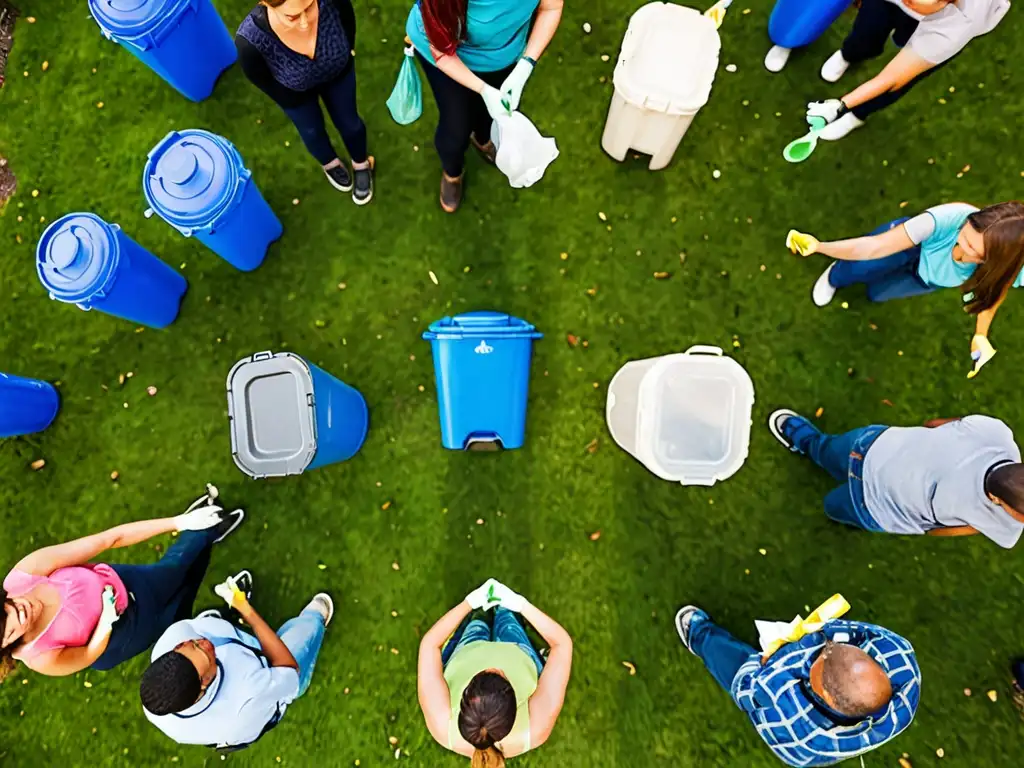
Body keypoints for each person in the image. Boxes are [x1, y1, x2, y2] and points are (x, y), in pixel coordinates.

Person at [0, 485, 243, 682]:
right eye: (11, 630)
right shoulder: (42, 658)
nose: (21, 613)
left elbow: (108, 539)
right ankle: (203, 541)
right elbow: (87, 655)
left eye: (8, 608)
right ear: (6, 647)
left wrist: (178, 522)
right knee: (171, 622)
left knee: (177, 571)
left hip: (126, 581)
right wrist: (106, 623)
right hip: (124, 634)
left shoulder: (25, 575)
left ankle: (203, 531)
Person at [675, 604, 921, 766]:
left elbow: (746, 690)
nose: (817, 651)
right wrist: (826, 632)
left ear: (827, 695)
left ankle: (699, 634)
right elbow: (855, 632)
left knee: (734, 665)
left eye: (818, 663)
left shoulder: (782, 704)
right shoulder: (898, 660)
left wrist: (760, 662)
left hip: (788, 732)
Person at [788, 201, 1024, 366]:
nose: (963, 246)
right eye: (965, 235)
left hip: (926, 279)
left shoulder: (1008, 267)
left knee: (878, 293)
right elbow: (874, 247)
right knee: (861, 266)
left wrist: (980, 335)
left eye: (974, 250)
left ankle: (858, 281)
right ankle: (836, 274)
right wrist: (820, 247)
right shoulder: (950, 217)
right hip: (911, 247)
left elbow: (995, 288)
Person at [768, 409, 1024, 548]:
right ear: (998, 501)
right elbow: (942, 532)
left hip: (874, 446)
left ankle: (807, 442)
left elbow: (934, 423)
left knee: (827, 451)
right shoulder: (1007, 529)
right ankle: (833, 506)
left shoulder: (996, 432)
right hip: (873, 507)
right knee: (833, 506)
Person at [140, 570, 333, 751]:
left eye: (193, 644)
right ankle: (313, 618)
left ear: (177, 648)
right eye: (205, 654)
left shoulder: (173, 641)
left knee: (210, 625)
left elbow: (196, 636)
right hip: (271, 679)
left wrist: (212, 629)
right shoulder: (248, 697)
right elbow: (289, 669)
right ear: (205, 682)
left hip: (239, 655)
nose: (206, 644)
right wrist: (247, 611)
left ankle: (221, 618)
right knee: (300, 647)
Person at [405, 0, 565, 212]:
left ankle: (482, 138)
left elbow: (551, 8)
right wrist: (483, 89)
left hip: (504, 55)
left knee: (490, 115)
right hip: (447, 53)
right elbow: (440, 50)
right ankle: (452, 172)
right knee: (456, 127)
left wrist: (526, 64)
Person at [418, 579, 572, 766]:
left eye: (483, 674)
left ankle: (481, 613)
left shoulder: (443, 722)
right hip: (517, 650)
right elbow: (562, 645)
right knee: (509, 619)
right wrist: (518, 603)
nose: (495, 667)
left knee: (476, 622)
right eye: (503, 678)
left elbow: (429, 645)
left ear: (465, 698)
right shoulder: (535, 726)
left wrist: (471, 602)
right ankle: (503, 610)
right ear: (514, 707)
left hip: (468, 647)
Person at [805, 0, 1011, 140]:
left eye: (913, 1)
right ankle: (850, 54)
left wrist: (842, 105)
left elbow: (892, 78)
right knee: (865, 35)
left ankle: (858, 115)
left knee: (902, 80)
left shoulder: (957, 26)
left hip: (938, 23)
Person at [236, 0, 375, 204]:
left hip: (338, 72)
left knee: (350, 125)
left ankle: (361, 164)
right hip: (295, 94)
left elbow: (347, 18)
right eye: (292, 16)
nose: (304, 23)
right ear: (266, 4)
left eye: (309, 7)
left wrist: (349, 49)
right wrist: (287, 99)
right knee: (311, 132)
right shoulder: (250, 41)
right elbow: (260, 79)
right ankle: (330, 163)